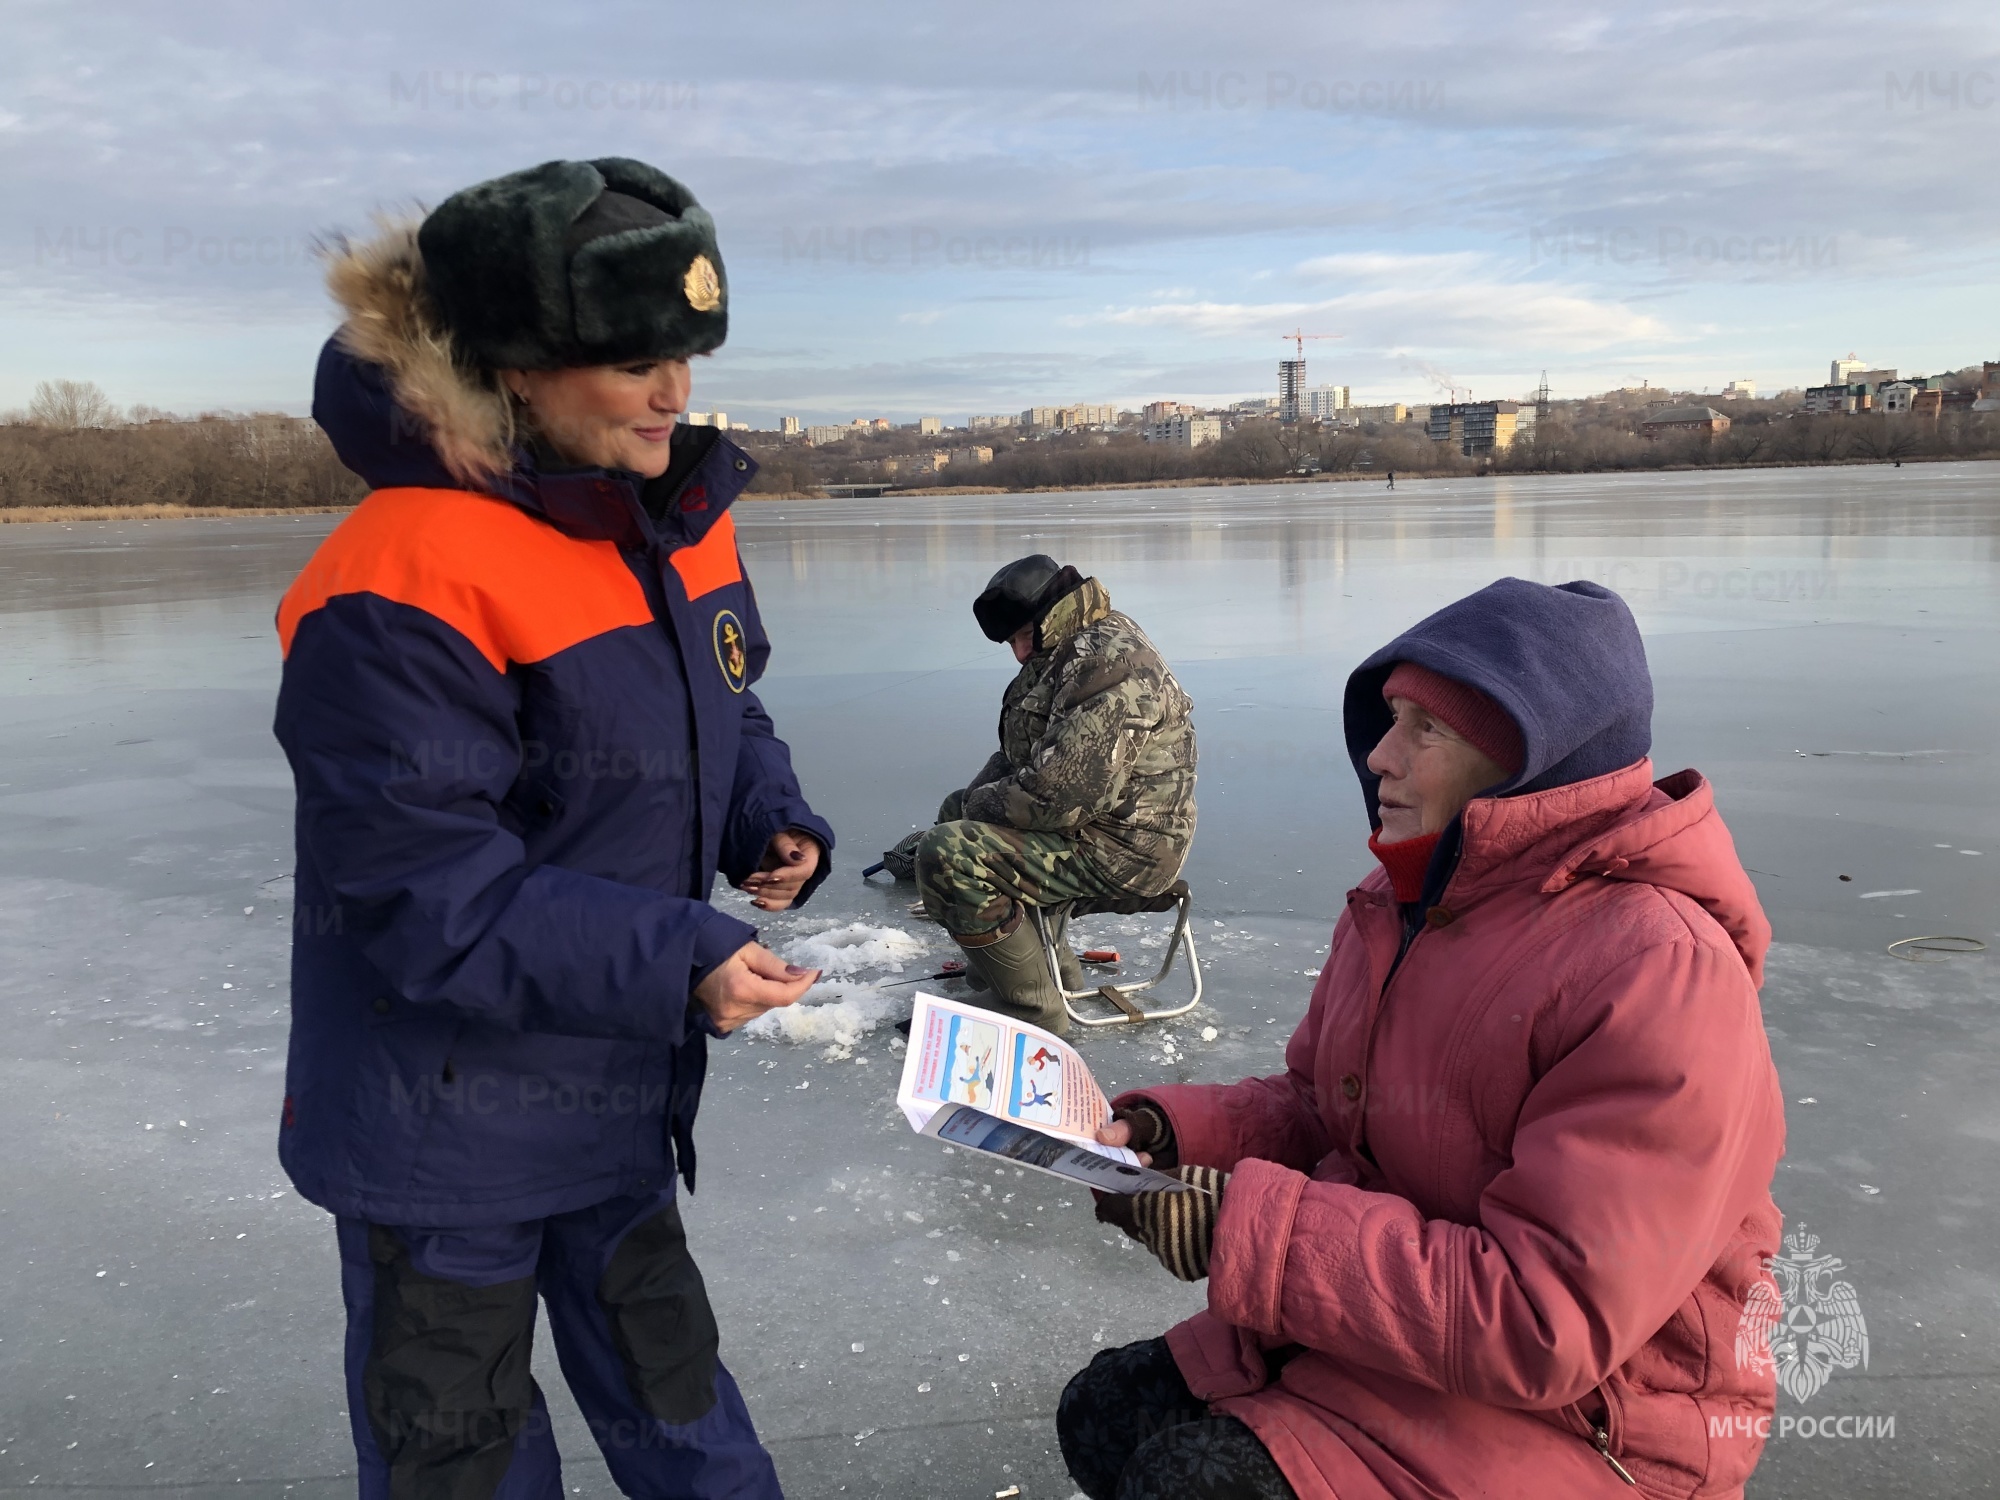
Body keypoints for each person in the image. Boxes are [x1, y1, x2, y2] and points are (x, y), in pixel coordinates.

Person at [273, 158, 834, 1499]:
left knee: (693, 1433)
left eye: (689, 350)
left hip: (616, 1105)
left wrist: (767, 815)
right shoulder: (400, 571)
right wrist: (681, 955)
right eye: (633, 356)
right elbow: (426, 892)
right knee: (464, 1466)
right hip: (441, 1136)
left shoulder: (678, 515)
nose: (673, 390)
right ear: (517, 367)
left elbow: (728, 704)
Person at [1059, 578, 1786, 1500]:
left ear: (1536, 762)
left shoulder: (1656, 971)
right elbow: (1327, 1107)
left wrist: (1242, 1226)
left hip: (1595, 1421)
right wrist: (1174, 1136)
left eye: (1425, 730)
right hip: (1406, 1340)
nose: (1380, 756)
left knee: (1192, 1485)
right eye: (1389, 717)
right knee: (1104, 1412)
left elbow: (1543, 1316)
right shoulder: (1401, 906)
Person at [909, 555, 1196, 1032]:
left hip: (1128, 849)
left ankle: (1035, 1012)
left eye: (1022, 637)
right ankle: (1023, 970)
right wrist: (975, 802)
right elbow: (1024, 754)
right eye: (1012, 642)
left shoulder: (1106, 663)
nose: (1019, 653)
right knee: (955, 812)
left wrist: (981, 805)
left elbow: (1058, 798)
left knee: (950, 853)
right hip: (1092, 829)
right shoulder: (1065, 649)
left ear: (1049, 618)